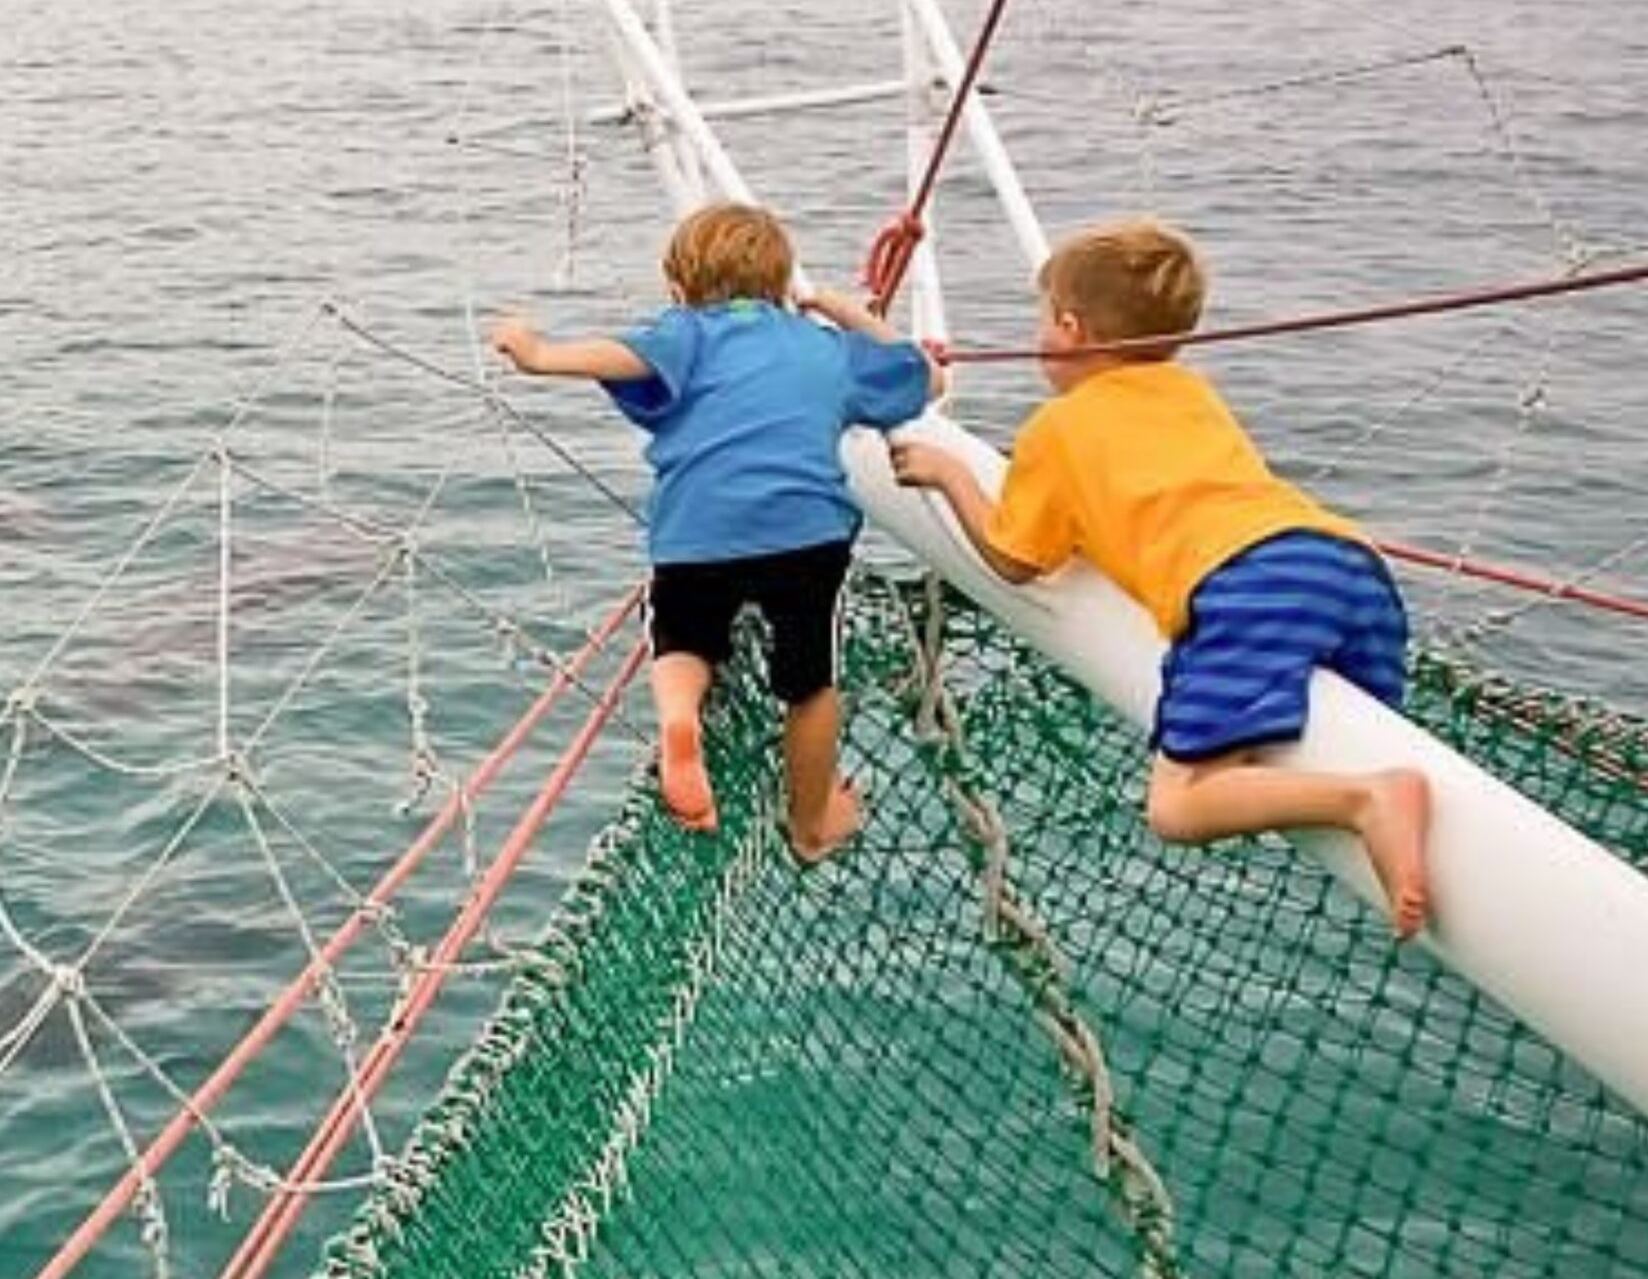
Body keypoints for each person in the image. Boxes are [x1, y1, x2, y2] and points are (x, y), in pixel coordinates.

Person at [890, 217, 1433, 937]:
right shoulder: (1192, 391)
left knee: (1178, 806)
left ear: (1071, 329)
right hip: (1344, 564)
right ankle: (1385, 796)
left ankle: (1365, 801)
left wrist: (950, 474)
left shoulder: (1059, 427)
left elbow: (1015, 558)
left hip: (1246, 586)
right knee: (1343, 731)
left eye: (1042, 318)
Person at [488, 203, 941, 859]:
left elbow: (619, 357)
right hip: (805, 536)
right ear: (783, 287)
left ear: (680, 288)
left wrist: (539, 354)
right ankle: (812, 823)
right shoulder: (826, 347)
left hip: (697, 534)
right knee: (810, 684)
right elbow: (926, 374)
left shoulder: (684, 333)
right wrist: (844, 311)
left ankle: (680, 718)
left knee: (680, 633)